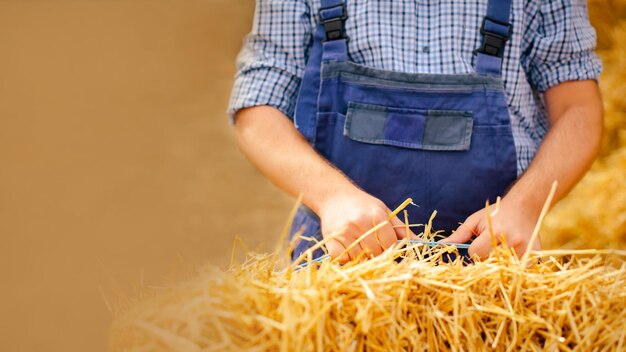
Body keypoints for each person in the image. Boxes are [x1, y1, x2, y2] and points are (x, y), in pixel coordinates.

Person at [228, 0, 603, 263]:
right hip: (339, 263)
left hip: (496, 265)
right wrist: (332, 197)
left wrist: (525, 206)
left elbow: (577, 108)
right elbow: (257, 105)